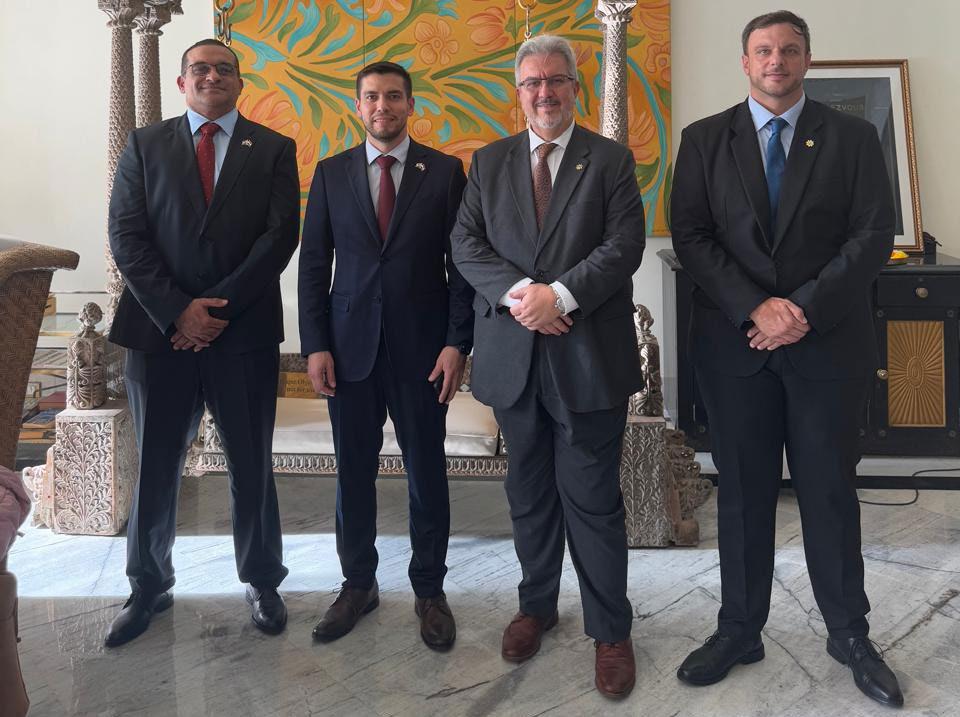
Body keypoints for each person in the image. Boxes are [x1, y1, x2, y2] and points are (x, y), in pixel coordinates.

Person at [670, 11, 903, 708]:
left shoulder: (852, 138)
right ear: (745, 62)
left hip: (825, 345)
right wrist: (757, 308)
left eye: (789, 50)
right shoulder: (704, 139)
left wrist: (798, 309)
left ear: (807, 59)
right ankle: (739, 630)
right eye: (764, 50)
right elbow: (692, 235)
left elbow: (873, 233)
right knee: (742, 495)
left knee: (829, 491)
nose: (777, 60)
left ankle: (849, 633)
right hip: (735, 347)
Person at [450, 35, 645, 698]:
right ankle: (535, 606)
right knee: (528, 495)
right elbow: (466, 244)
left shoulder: (610, 160)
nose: (544, 92)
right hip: (513, 361)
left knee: (593, 499)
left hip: (588, 361)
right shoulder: (489, 162)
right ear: (519, 91)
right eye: (532, 82)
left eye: (556, 80)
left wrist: (558, 296)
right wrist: (522, 296)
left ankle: (610, 630)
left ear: (574, 87)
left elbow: (624, 245)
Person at [106, 38, 299, 646]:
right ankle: (147, 586)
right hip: (157, 334)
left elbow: (279, 237)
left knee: (251, 463)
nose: (212, 76)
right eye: (201, 69)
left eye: (224, 69)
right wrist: (177, 312)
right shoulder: (144, 144)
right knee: (156, 466)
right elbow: (126, 235)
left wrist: (215, 310)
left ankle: (262, 580)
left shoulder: (273, 148)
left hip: (241, 334)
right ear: (182, 82)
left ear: (239, 82)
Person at [298, 61, 474, 651]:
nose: (383, 106)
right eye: (371, 96)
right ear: (358, 106)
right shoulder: (331, 173)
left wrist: (456, 342)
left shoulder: (444, 172)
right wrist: (315, 345)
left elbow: (461, 268)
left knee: (427, 473)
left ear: (410, 104)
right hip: (348, 353)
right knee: (353, 474)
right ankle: (358, 585)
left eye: (394, 96)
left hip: (423, 352)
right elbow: (314, 266)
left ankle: (430, 590)